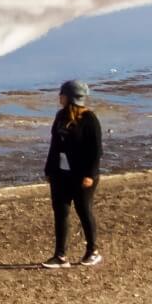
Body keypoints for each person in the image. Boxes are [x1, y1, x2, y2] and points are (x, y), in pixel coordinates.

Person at [41, 78, 102, 268]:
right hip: (61, 174)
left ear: (69, 97)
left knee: (84, 211)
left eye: (62, 94)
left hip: (82, 176)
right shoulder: (61, 117)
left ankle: (92, 251)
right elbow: (54, 146)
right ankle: (60, 256)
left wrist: (90, 175)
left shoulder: (89, 119)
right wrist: (49, 170)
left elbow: (96, 150)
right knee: (61, 213)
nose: (59, 96)